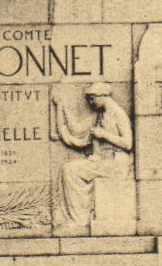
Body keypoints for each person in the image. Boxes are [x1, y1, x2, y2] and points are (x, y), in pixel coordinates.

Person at [54, 82, 133, 228]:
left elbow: (128, 144)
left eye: (92, 98)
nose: (90, 102)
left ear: (102, 96)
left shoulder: (118, 113)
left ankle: (79, 219)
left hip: (117, 163)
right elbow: (76, 130)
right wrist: (60, 107)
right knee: (69, 169)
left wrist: (104, 134)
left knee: (70, 170)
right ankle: (79, 216)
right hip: (105, 161)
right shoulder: (101, 115)